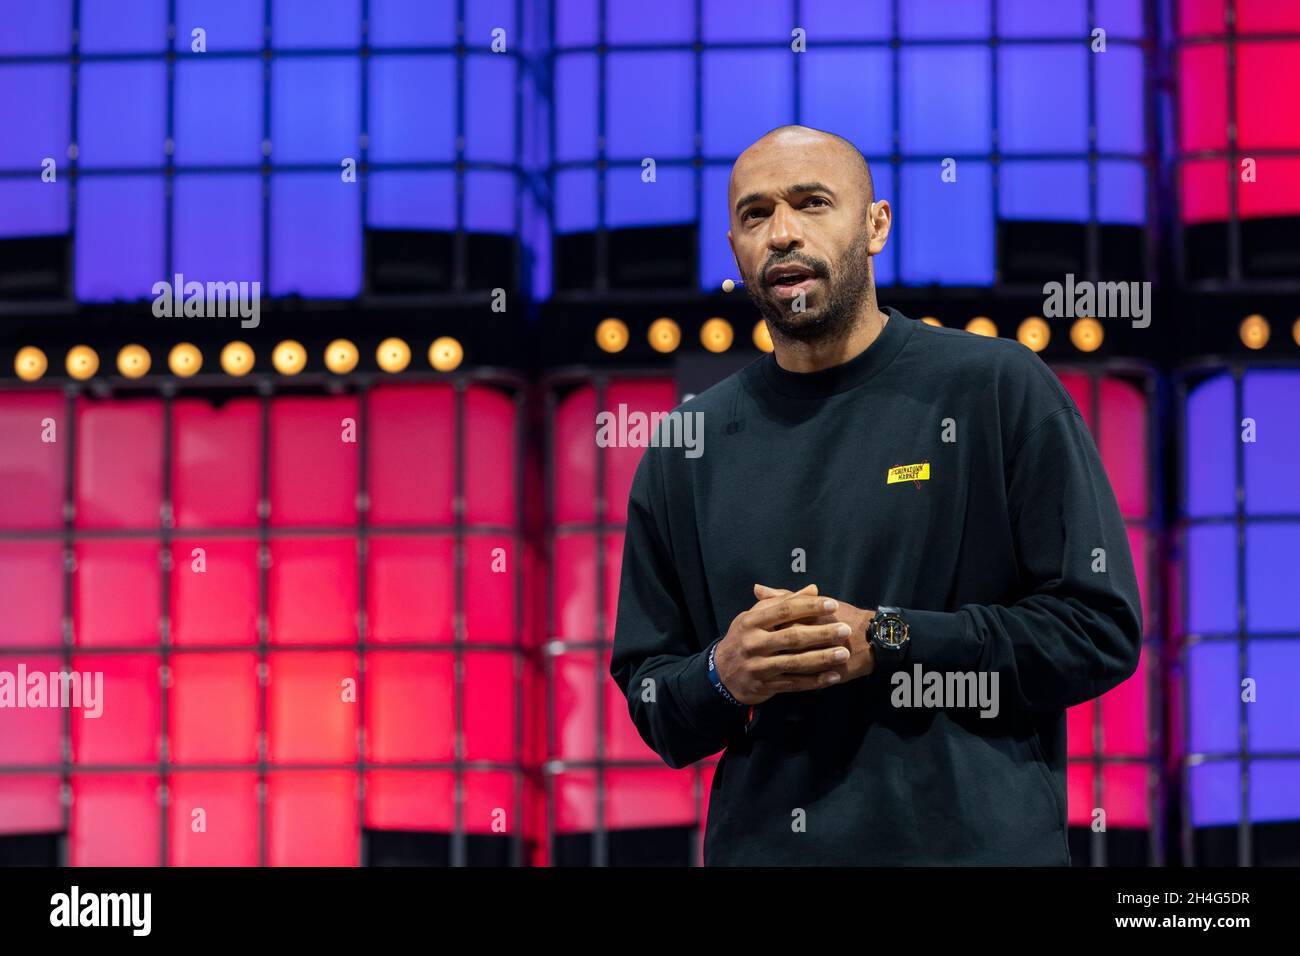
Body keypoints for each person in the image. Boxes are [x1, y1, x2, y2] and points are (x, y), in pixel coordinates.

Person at [608, 125, 1143, 865]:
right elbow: (652, 697)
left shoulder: (995, 388)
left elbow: (1098, 631)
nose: (783, 233)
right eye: (756, 215)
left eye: (812, 203)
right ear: (734, 247)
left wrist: (888, 639)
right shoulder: (686, 445)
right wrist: (721, 675)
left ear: (875, 225)